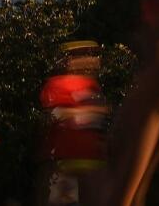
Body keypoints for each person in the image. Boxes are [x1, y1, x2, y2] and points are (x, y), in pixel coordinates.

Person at [40, 41, 109, 206]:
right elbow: (56, 115)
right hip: (67, 160)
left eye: (92, 55)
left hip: (94, 160)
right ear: (71, 60)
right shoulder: (58, 84)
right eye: (85, 55)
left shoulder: (93, 85)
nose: (91, 60)